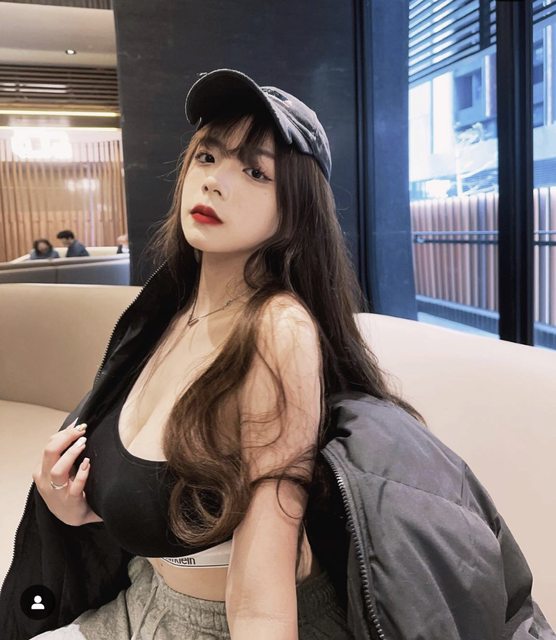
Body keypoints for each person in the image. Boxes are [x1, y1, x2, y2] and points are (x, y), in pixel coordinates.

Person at [0, 69, 553, 640]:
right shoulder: (169, 310)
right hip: (143, 598)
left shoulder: (277, 331)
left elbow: (261, 600)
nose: (214, 182)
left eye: (255, 172)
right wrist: (77, 507)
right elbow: (164, 500)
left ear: (295, 209)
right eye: (207, 157)